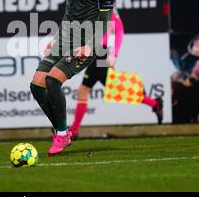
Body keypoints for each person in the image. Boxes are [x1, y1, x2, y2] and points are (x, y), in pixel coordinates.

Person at [30, 0, 115, 156]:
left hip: (86, 43)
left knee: (51, 80)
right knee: (36, 85)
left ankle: (60, 135)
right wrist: (57, 39)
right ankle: (63, 130)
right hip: (66, 38)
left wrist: (90, 46)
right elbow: (68, 14)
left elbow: (106, 23)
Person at [69, 8, 164, 139]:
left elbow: (119, 30)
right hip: (93, 52)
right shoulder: (88, 1)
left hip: (99, 53)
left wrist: (114, 54)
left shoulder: (106, 4)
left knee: (85, 90)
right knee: (114, 88)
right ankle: (154, 103)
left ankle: (73, 131)